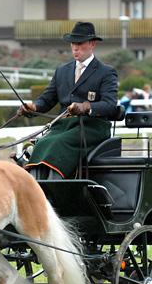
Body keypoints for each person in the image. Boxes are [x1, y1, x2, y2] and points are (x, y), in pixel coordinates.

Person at [18, 21, 118, 180]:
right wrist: (33, 107)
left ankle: (54, 186)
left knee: (57, 143)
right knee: (41, 144)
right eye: (73, 43)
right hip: (63, 126)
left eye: (80, 43)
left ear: (92, 44)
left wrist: (86, 106)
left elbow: (110, 105)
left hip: (92, 127)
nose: (75, 48)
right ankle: (36, 186)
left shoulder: (106, 72)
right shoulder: (62, 71)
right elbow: (47, 99)